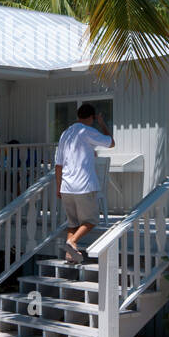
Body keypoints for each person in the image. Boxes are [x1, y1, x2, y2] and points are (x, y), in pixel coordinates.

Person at [54, 103, 114, 264]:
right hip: (83, 186)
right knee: (91, 220)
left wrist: (58, 187)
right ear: (92, 117)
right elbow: (111, 142)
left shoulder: (65, 133)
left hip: (67, 186)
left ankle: (69, 255)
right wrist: (102, 123)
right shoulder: (87, 130)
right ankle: (71, 242)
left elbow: (58, 165)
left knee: (73, 222)